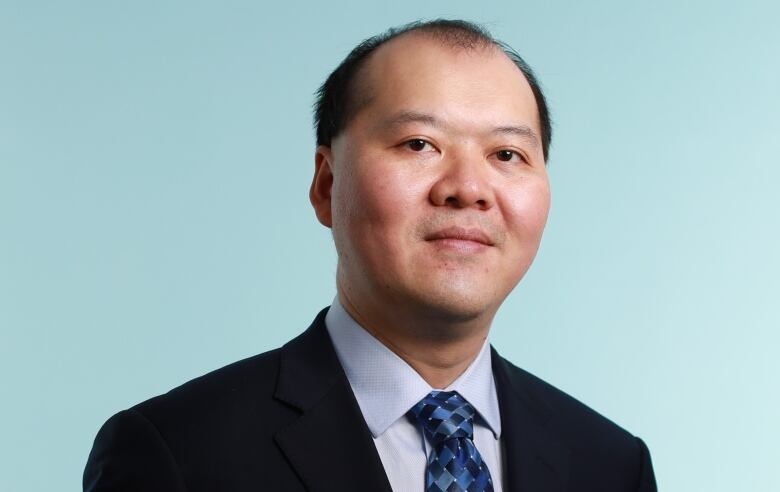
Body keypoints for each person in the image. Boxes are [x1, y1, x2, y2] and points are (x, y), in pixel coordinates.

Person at [83, 19, 657, 492]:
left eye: (507, 154)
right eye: (419, 144)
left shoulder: (610, 465)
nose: (468, 187)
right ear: (327, 185)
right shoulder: (178, 455)